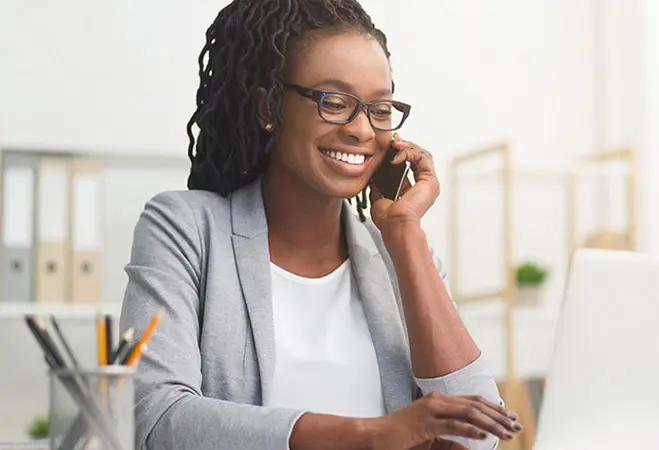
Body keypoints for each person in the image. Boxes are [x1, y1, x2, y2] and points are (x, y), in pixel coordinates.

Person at [119, 0, 522, 449]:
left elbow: (481, 437)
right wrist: (371, 435)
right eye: (335, 102)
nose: (362, 130)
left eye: (380, 108)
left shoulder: (398, 257)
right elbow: (155, 419)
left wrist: (405, 232)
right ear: (269, 106)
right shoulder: (186, 229)